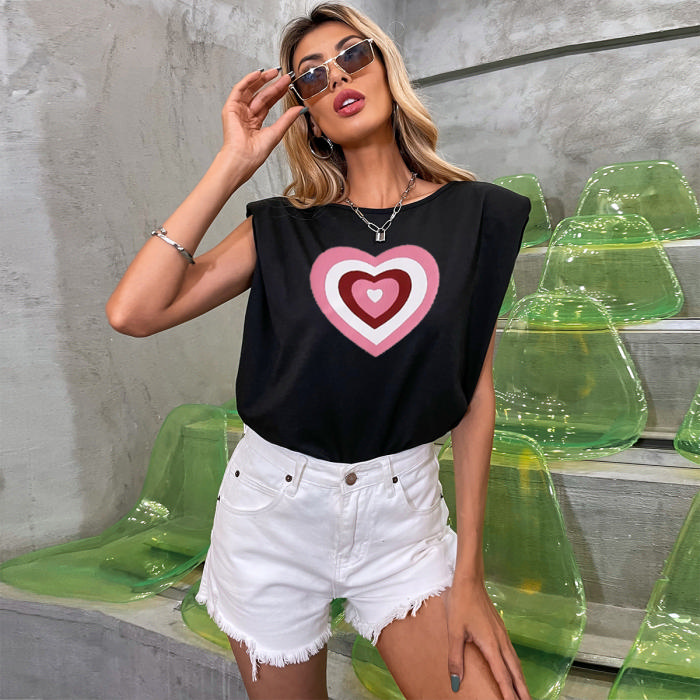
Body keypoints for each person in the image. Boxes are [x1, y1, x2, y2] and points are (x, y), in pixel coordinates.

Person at [106, 3, 531, 699]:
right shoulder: (281, 227)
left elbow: (474, 396)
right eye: (311, 76)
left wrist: (469, 577)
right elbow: (133, 312)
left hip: (404, 524)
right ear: (307, 114)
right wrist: (233, 164)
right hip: (272, 515)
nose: (337, 77)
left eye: (353, 55)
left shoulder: (478, 216)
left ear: (387, 68)